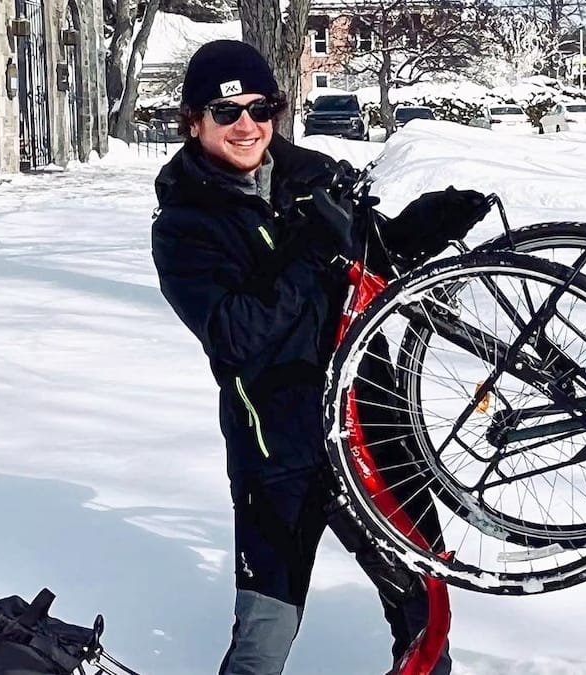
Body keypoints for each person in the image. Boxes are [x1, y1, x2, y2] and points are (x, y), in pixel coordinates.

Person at [150, 40, 487, 675]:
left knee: (425, 617)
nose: (246, 124)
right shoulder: (184, 226)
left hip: (372, 426)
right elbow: (233, 333)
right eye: (226, 113)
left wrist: (426, 225)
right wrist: (309, 255)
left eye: (260, 107)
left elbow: (371, 265)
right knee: (264, 636)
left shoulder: (313, 174)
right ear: (194, 122)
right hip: (279, 448)